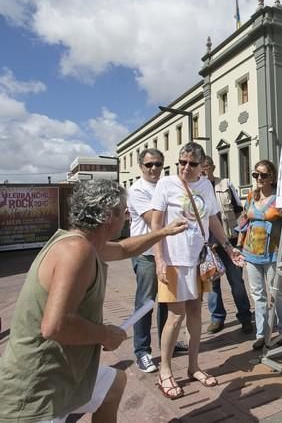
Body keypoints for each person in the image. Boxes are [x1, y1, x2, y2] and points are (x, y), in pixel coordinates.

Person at [0, 180, 187, 422]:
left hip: (65, 373)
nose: (128, 216)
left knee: (114, 384)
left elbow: (123, 249)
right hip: (39, 386)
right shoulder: (76, 251)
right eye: (124, 210)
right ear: (109, 216)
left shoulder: (85, 243)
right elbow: (54, 325)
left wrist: (163, 231)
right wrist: (104, 334)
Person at [151, 142, 245, 400]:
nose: (185, 167)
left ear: (202, 166)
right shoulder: (166, 184)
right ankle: (165, 371)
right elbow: (156, 224)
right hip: (173, 260)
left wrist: (228, 248)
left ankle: (193, 366)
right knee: (175, 317)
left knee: (195, 314)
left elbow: (212, 219)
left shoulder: (205, 186)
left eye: (192, 163)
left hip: (197, 260)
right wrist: (159, 258)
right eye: (182, 162)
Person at [129, 148, 188, 373]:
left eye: (158, 164)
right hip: (146, 253)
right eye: (149, 165)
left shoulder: (167, 185)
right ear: (141, 167)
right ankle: (142, 351)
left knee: (167, 300)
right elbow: (155, 220)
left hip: (168, 251)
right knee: (146, 302)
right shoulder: (137, 190)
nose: (154, 168)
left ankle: (168, 344)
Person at [238, 159, 282, 350]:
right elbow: (243, 222)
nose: (259, 178)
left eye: (264, 175)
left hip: (273, 251)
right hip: (251, 252)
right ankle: (262, 334)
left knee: (276, 293)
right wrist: (238, 246)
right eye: (256, 174)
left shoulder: (281, 199)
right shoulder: (251, 196)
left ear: (272, 177)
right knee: (258, 295)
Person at [201, 156, 253, 335]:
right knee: (213, 284)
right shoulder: (196, 189)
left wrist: (239, 238)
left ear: (213, 167)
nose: (203, 170)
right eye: (200, 167)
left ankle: (245, 317)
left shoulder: (225, 184)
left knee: (236, 282)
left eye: (206, 167)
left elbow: (239, 211)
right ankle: (217, 318)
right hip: (209, 245)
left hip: (229, 240)